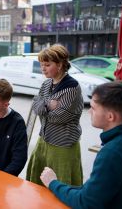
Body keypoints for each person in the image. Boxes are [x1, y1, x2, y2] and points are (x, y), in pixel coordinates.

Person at [40, 81, 122, 209]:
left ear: (110, 116)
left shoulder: (112, 153)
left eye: (93, 108)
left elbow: (86, 203)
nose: (89, 112)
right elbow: (94, 193)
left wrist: (52, 183)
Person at [26, 44, 83, 186]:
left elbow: (59, 117)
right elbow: (35, 104)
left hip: (62, 144)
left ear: (60, 65)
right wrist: (47, 105)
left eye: (47, 64)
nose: (43, 68)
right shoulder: (47, 83)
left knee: (61, 184)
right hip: (44, 139)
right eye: (41, 64)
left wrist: (42, 107)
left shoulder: (72, 87)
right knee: (38, 182)